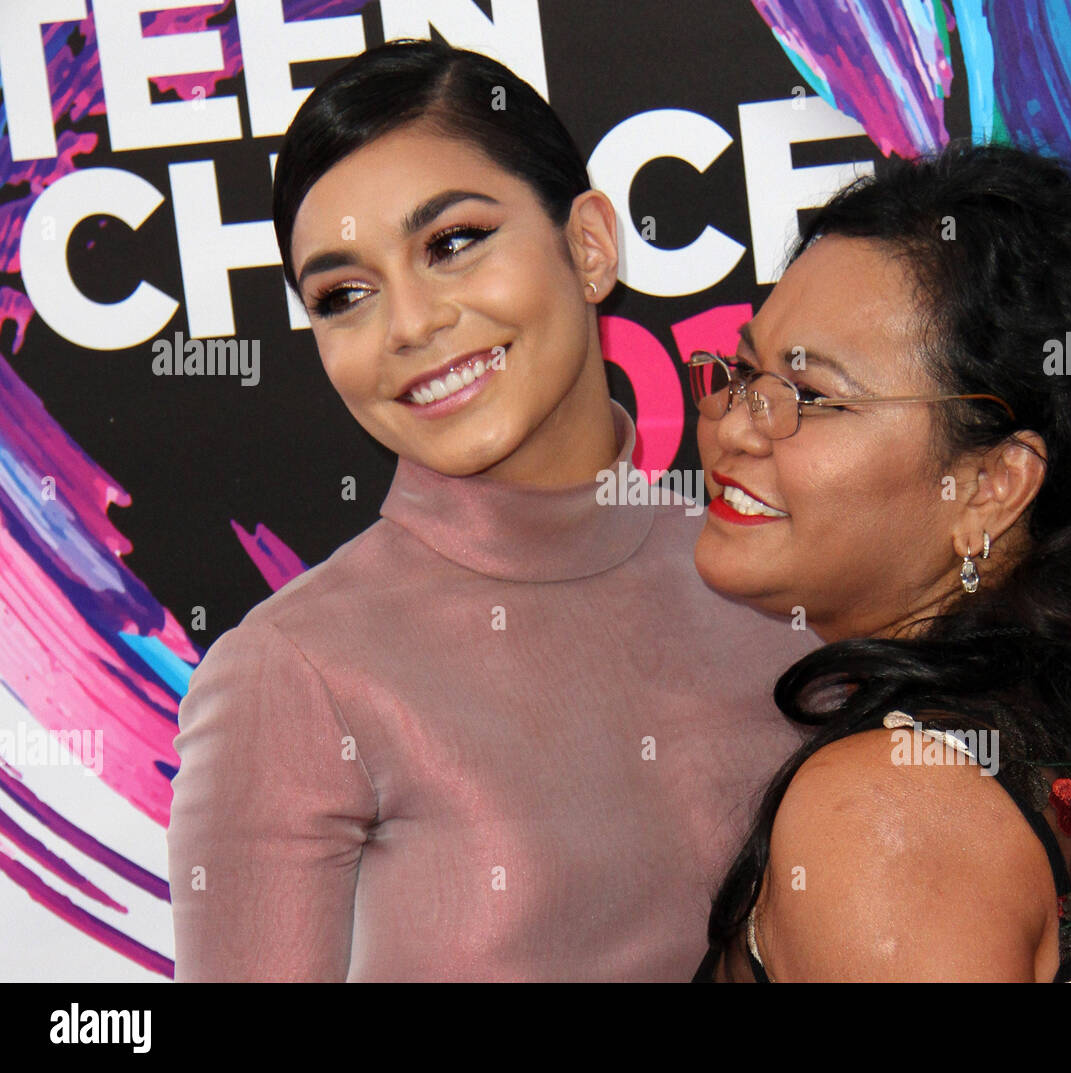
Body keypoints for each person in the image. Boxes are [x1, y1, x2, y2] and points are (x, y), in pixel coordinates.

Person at [164, 39, 814, 981]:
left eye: (453, 243)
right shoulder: (295, 673)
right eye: (345, 294)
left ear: (589, 244)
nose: (411, 324)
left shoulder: (776, 579)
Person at [688, 143, 1071, 982]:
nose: (734, 423)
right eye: (747, 369)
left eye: (813, 396)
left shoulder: (885, 811)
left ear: (990, 483)